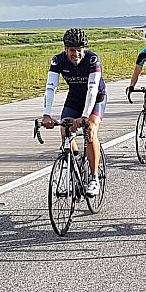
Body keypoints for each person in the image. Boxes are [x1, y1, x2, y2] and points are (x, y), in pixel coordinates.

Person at [43, 28, 106, 197]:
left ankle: (94, 178)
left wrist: (85, 117)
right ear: (65, 49)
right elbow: (50, 88)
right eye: (72, 50)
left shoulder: (93, 59)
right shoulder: (58, 61)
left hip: (96, 98)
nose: (76, 54)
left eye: (79, 50)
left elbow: (92, 90)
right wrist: (47, 114)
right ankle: (77, 159)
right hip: (75, 98)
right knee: (64, 129)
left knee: (90, 130)